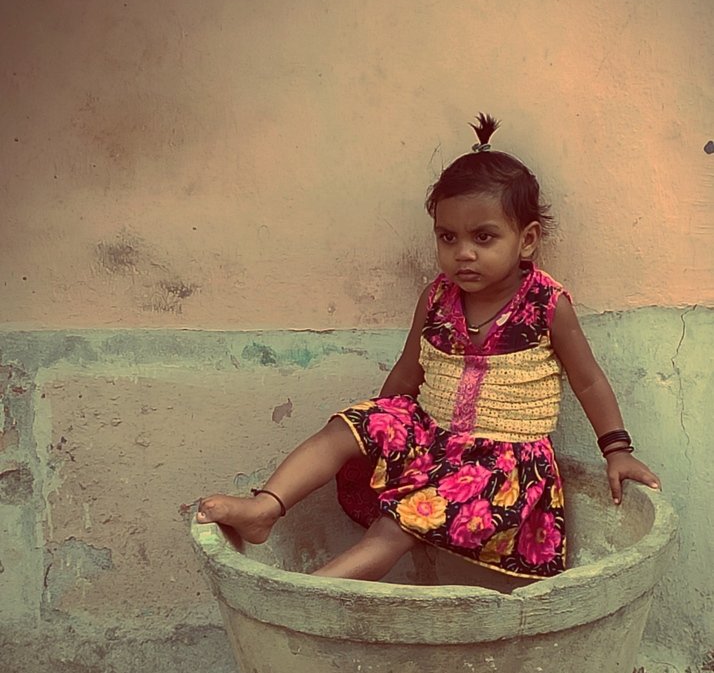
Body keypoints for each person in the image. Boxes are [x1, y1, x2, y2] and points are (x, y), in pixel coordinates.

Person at [196, 112, 661, 582]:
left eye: (484, 237)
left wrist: (616, 450)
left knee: (394, 527)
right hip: (432, 435)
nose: (464, 252)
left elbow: (588, 380)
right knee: (345, 426)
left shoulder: (546, 305)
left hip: (499, 467)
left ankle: (312, 592)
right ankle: (266, 506)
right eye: (448, 237)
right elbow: (406, 372)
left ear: (527, 240)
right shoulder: (438, 297)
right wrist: (376, 429)